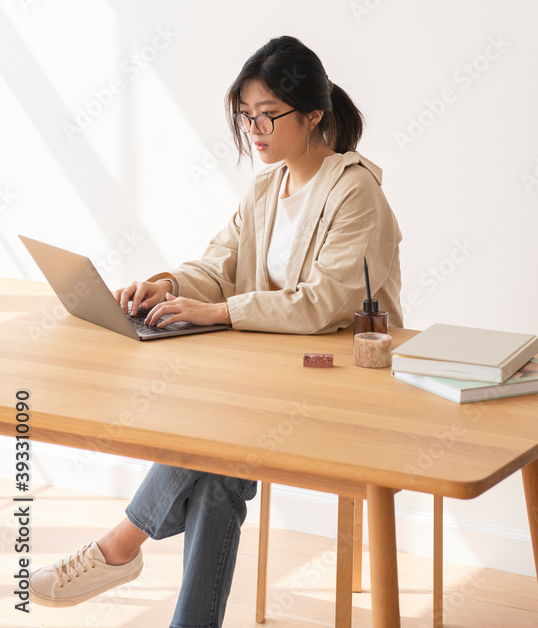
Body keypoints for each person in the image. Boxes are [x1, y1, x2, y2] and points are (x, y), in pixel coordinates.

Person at [29, 34, 404, 627]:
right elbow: (219, 266)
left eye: (268, 116)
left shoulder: (354, 190)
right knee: (218, 481)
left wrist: (220, 312)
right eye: (245, 116)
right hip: (269, 380)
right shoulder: (265, 189)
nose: (255, 130)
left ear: (313, 115)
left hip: (337, 383)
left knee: (213, 433)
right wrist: (170, 286)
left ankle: (120, 546)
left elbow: (326, 303)